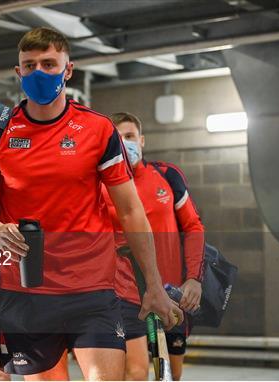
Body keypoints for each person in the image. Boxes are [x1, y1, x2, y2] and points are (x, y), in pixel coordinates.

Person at [0, 27, 182, 381]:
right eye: (29, 65)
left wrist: (153, 285)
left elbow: (130, 210)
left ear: (68, 69)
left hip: (91, 288)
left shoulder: (97, 129)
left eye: (49, 63)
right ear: (18, 73)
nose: (38, 73)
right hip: (25, 290)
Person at [107, 112, 205, 380]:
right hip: (124, 295)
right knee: (135, 371)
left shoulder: (167, 176)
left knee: (171, 373)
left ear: (142, 140)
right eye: (117, 138)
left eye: (129, 136)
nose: (124, 143)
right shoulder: (100, 185)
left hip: (170, 294)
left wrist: (193, 278)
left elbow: (194, 227)